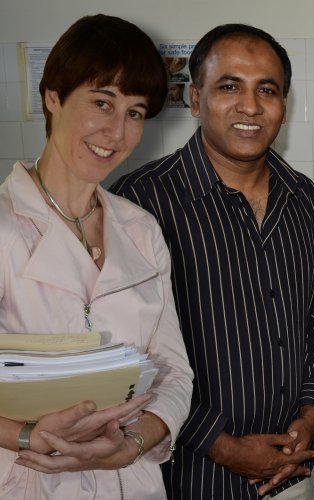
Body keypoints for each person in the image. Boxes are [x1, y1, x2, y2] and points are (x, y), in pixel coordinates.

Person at [111, 24, 314, 499]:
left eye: (267, 90)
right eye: (229, 86)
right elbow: (127, 354)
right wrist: (221, 445)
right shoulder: (140, 201)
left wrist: (311, 414)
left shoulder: (302, 196)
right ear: (196, 99)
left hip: (292, 471)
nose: (250, 106)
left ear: (284, 104)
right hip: (190, 475)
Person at [0, 14, 194, 500]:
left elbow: (174, 371)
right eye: (102, 102)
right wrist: (25, 435)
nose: (116, 131)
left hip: (130, 480)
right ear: (53, 97)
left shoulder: (141, 230)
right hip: (27, 479)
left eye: (135, 112)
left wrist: (132, 444)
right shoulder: (5, 227)